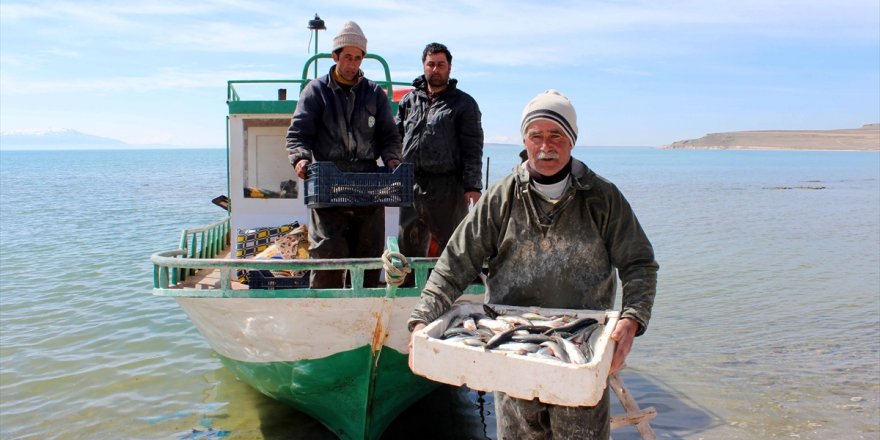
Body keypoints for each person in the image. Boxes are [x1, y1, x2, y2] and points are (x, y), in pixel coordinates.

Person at [407, 90, 659, 439]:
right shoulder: (502, 197)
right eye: (535, 135)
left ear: (572, 139)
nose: (545, 146)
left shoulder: (603, 198)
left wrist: (632, 318)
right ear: (524, 140)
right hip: (512, 357)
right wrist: (422, 319)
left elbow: (640, 264)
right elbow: (455, 262)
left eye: (556, 135)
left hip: (582, 355)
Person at [285, 20, 402, 288]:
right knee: (328, 254)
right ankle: (324, 315)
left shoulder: (374, 93)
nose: (352, 64)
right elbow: (298, 134)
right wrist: (300, 158)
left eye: (358, 58)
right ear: (335, 56)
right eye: (347, 57)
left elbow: (389, 136)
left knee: (368, 259)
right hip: (328, 186)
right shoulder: (316, 91)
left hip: (368, 188)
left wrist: (393, 157)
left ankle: (363, 314)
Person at [396, 42, 484, 264]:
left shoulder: (464, 104)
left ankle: (459, 298)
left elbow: (473, 147)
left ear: (449, 68)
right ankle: (411, 296)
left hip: (447, 187)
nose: (435, 69)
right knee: (408, 249)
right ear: (424, 66)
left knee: (454, 251)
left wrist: (472, 185)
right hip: (412, 184)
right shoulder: (409, 101)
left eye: (440, 65)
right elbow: (396, 138)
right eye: (431, 64)